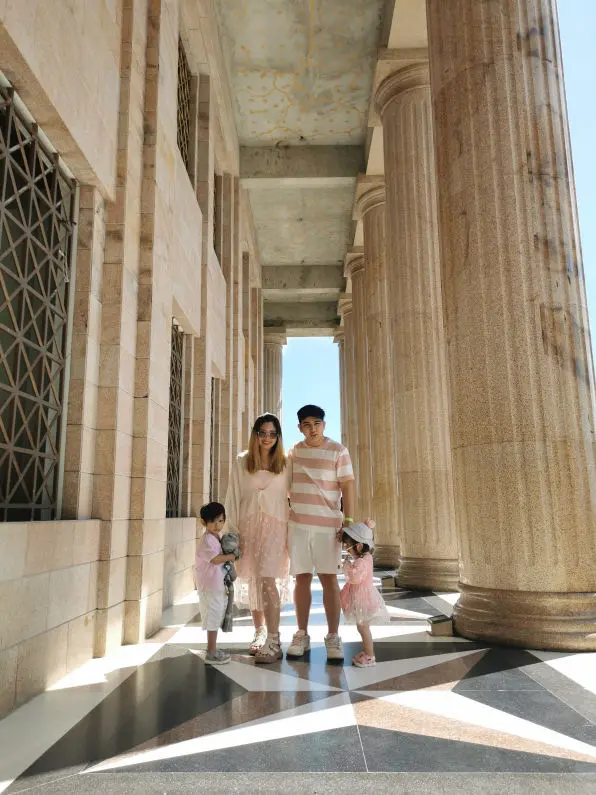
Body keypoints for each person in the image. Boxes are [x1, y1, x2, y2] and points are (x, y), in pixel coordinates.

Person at [286, 404, 355, 662]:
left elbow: (348, 485)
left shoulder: (338, 451)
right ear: (300, 428)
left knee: (329, 580)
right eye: (306, 424)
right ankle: (301, 634)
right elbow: (284, 485)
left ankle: (333, 636)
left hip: (328, 527)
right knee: (301, 579)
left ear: (324, 424)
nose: (312, 428)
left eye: (316, 423)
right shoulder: (294, 452)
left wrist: (348, 520)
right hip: (298, 525)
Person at [226, 413, 290, 663]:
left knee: (268, 580)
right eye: (262, 433)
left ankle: (274, 639)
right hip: (248, 528)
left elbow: (296, 494)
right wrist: (231, 532)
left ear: (278, 436)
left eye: (272, 433)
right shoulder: (242, 462)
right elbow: (232, 497)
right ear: (255, 434)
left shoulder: (286, 463)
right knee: (254, 579)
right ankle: (259, 632)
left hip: (276, 529)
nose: (267, 438)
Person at [340, 520, 389, 667]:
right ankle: (367, 653)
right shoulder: (366, 558)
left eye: (348, 547)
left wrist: (347, 566)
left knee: (363, 628)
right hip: (363, 597)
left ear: (359, 546)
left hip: (363, 598)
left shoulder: (361, 562)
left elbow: (354, 578)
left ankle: (369, 656)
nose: (346, 550)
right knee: (362, 627)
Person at [195, 502, 237, 665]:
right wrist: (230, 557)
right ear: (203, 522)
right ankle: (211, 651)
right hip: (210, 585)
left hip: (216, 584)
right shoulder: (207, 540)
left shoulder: (215, 537)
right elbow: (213, 559)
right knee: (213, 615)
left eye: (220, 521)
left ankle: (213, 648)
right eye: (213, 521)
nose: (217, 525)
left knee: (216, 614)